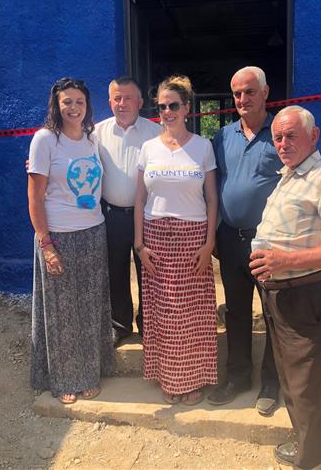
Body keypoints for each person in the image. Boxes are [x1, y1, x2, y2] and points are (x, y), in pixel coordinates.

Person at [250, 106, 321, 469]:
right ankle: (310, 448)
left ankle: (313, 463)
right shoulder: (291, 176)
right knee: (293, 381)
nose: (282, 143)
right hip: (282, 295)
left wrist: (284, 262)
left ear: (314, 137)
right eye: (278, 137)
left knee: (309, 387)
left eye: (291, 136)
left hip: (309, 294)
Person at [28, 77, 115, 405]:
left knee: (89, 307)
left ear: (87, 105)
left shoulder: (92, 139)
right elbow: (35, 198)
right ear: (57, 104)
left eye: (79, 101)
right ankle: (65, 378)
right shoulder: (45, 140)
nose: (74, 108)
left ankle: (91, 372)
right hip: (59, 236)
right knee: (62, 313)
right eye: (67, 102)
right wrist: (46, 244)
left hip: (94, 231)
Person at [134, 74, 218, 405]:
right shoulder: (148, 148)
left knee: (192, 313)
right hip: (156, 237)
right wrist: (139, 245)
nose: (166, 112)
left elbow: (212, 199)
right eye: (162, 107)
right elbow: (139, 200)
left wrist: (209, 243)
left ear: (186, 108)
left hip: (193, 237)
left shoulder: (203, 146)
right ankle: (168, 378)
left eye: (173, 105)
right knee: (165, 313)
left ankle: (193, 379)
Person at [208, 66, 282, 415]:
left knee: (274, 315)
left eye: (249, 92)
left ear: (265, 93)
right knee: (236, 312)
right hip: (231, 239)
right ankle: (238, 376)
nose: (242, 99)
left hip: (268, 243)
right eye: (237, 93)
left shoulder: (280, 133)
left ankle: (271, 381)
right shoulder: (222, 137)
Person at [95, 77, 161, 346]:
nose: (122, 104)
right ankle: (120, 325)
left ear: (140, 102)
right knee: (115, 269)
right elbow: (71, 159)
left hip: (145, 216)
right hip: (111, 215)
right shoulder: (95, 132)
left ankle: (149, 325)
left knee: (149, 270)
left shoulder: (155, 133)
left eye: (128, 98)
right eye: (117, 98)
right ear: (110, 101)